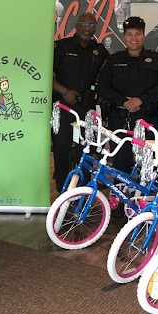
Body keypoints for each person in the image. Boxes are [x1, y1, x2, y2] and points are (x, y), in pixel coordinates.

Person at [98, 16, 158, 173]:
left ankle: (146, 196)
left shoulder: (156, 60)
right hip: (119, 118)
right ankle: (121, 194)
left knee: (149, 162)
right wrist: (122, 101)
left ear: (143, 35)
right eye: (129, 34)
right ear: (124, 36)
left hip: (148, 118)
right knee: (120, 160)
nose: (134, 38)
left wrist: (141, 100)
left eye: (137, 33)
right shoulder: (113, 60)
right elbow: (103, 87)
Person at [52, 11, 109, 191]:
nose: (87, 28)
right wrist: (64, 91)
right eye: (84, 24)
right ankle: (62, 189)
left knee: (86, 150)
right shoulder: (61, 47)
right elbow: (45, 74)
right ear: (76, 26)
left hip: (87, 108)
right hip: (63, 107)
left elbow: (111, 74)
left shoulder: (100, 51)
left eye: (92, 25)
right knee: (61, 149)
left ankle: (82, 191)